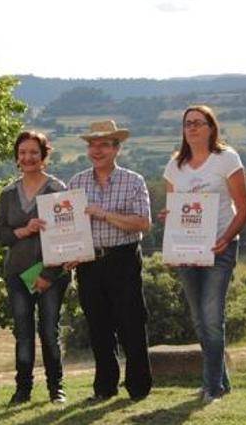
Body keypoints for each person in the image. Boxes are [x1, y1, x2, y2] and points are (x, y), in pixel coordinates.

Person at [161, 105, 246, 403]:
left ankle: (210, 387)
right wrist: (169, 217)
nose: (193, 128)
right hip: (187, 249)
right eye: (188, 124)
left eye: (199, 123)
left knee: (212, 317)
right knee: (199, 320)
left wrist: (226, 239)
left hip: (220, 248)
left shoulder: (227, 159)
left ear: (212, 128)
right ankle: (221, 382)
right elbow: (175, 209)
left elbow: (243, 209)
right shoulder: (175, 166)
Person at [67, 120, 153, 402]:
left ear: (117, 148)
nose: (97, 150)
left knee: (131, 323)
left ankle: (139, 388)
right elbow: (68, 227)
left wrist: (103, 214)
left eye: (104, 144)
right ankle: (104, 388)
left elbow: (143, 223)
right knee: (98, 326)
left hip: (123, 259)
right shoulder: (77, 182)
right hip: (89, 263)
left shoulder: (133, 181)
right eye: (93, 144)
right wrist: (68, 253)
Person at [0, 131, 70, 405]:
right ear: (17, 157)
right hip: (17, 274)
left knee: (49, 330)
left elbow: (67, 237)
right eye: (23, 152)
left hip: (52, 273)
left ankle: (56, 388)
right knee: (23, 333)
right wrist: (24, 230)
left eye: (33, 152)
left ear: (43, 156)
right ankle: (22, 390)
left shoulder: (57, 190)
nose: (28, 157)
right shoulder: (8, 193)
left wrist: (49, 275)